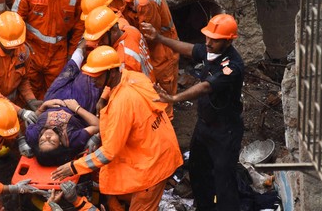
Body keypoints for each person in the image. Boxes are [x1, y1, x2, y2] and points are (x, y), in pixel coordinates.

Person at [51, 46, 182, 210]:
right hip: (157, 148)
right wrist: (104, 97)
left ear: (111, 72)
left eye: (97, 76)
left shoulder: (122, 104)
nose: (93, 81)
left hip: (152, 168)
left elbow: (109, 152)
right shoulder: (133, 77)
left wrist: (73, 167)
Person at [142, 14, 244, 211]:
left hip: (225, 132)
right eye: (207, 37)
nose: (208, 43)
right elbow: (190, 49)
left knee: (224, 180)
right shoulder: (210, 50)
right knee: (198, 171)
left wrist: (174, 98)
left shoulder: (233, 66)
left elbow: (206, 87)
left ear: (228, 41)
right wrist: (159, 38)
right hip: (204, 126)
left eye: (214, 40)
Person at [92, 0, 179, 119]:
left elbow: (151, 37)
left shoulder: (143, 0)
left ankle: (167, 125)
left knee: (163, 95)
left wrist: (132, 45)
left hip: (162, 50)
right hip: (151, 45)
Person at [12, 0, 87, 100]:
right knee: (28, 95)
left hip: (58, 55)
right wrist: (19, 51)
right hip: (31, 51)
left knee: (55, 96)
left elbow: (79, 27)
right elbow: (16, 19)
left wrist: (71, 56)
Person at [21, 41, 101, 166]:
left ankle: (83, 44)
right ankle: (102, 49)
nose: (47, 137)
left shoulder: (33, 136)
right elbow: (97, 125)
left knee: (69, 68)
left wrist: (43, 107)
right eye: (51, 142)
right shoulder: (72, 140)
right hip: (80, 101)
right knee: (89, 72)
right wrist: (77, 108)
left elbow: (33, 119)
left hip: (54, 98)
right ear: (60, 145)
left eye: (42, 142)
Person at [0, 11, 40, 125]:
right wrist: (21, 112)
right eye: (8, 46)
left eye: (16, 46)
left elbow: (23, 80)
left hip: (13, 105)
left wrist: (31, 100)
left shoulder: (23, 51)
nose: (13, 49)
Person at [83, 6, 155, 83]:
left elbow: (127, 87)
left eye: (101, 38)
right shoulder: (131, 29)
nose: (98, 43)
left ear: (113, 30)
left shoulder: (123, 60)